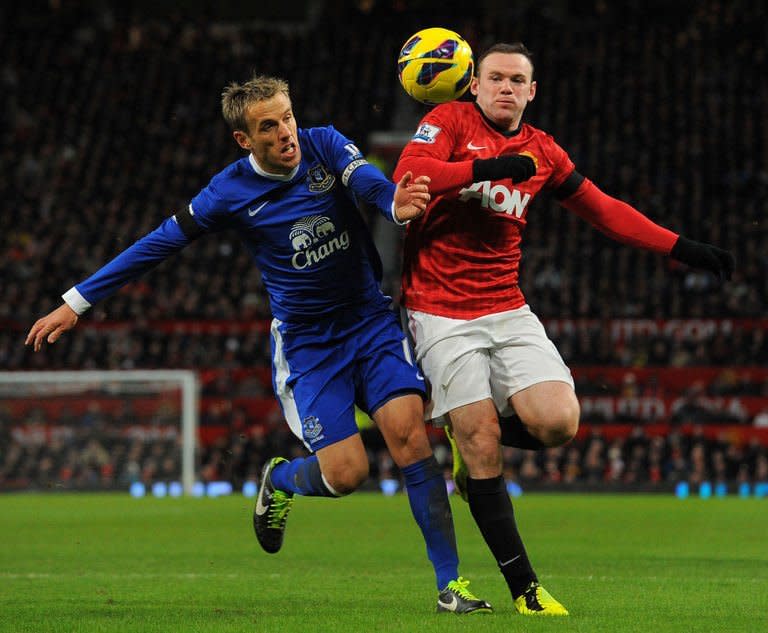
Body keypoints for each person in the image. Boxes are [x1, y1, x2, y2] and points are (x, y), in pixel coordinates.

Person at [25, 75, 492, 615]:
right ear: (244, 140)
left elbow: (364, 180)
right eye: (268, 126)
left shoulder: (323, 143)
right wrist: (76, 302)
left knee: (411, 439)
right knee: (347, 475)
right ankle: (283, 478)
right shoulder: (227, 193)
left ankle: (450, 587)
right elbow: (157, 245)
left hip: (369, 323)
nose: (286, 132)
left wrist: (394, 204)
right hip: (310, 347)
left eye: (287, 117)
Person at [393, 42, 735, 616]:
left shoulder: (543, 150)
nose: (505, 87)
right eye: (495, 78)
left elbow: (603, 210)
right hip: (439, 310)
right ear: (473, 85)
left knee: (557, 423)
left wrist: (683, 248)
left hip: (505, 306)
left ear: (532, 91)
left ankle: (469, 429)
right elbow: (412, 171)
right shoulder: (446, 119)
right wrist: (488, 168)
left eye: (516, 80)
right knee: (481, 443)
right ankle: (526, 591)